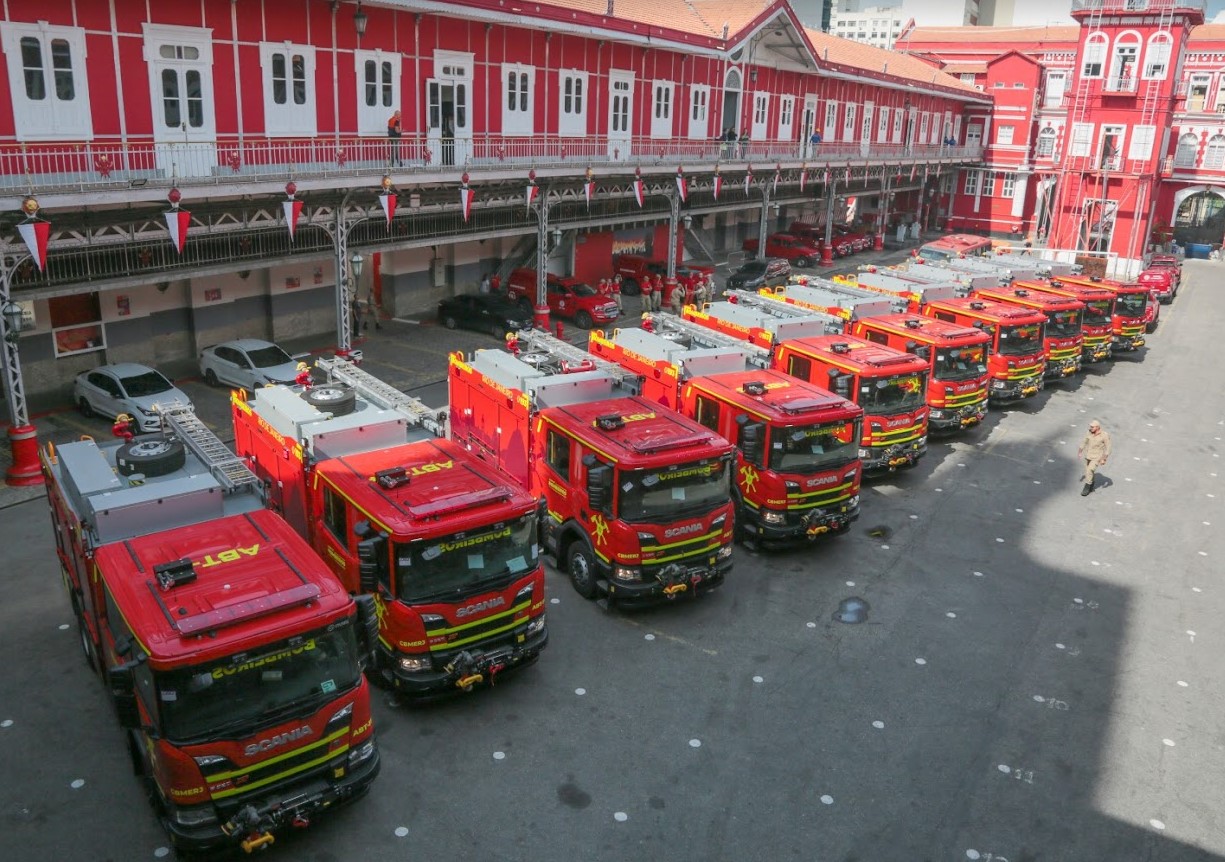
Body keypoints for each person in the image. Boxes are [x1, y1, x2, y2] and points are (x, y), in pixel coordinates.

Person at [1076, 419, 1112, 496]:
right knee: (1087, 472)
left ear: (1097, 427)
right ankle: (1091, 485)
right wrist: (1080, 452)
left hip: (1097, 457)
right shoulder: (1089, 432)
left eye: (1092, 427)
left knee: (1090, 470)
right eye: (1090, 426)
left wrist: (1104, 458)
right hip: (1088, 455)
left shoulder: (1104, 435)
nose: (1091, 428)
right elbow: (1084, 442)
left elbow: (1108, 448)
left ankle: (1086, 487)